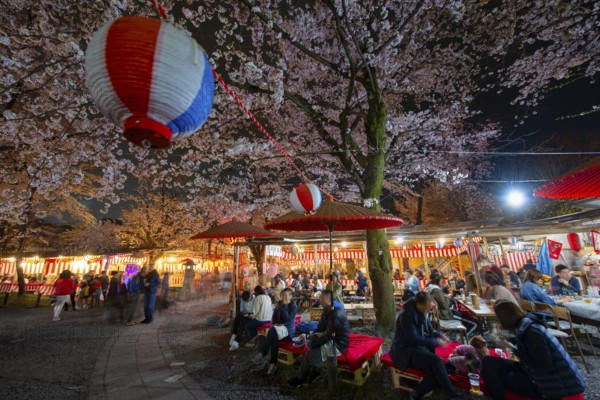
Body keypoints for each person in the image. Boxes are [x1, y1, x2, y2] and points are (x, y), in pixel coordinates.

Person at [481, 300, 585, 400]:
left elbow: (544, 366)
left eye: (498, 319)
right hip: (540, 373)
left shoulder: (532, 333)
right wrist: (511, 341)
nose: (498, 322)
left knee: (495, 375)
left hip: (556, 384)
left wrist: (515, 350)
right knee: (488, 362)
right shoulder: (526, 325)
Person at [390, 292, 459, 400]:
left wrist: (441, 336)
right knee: (436, 361)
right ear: (420, 304)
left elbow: (431, 330)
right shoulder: (406, 315)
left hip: (417, 348)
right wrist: (436, 342)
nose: (429, 310)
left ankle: (417, 392)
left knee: (439, 369)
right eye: (427, 307)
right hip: (405, 350)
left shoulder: (423, 311)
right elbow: (413, 339)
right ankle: (453, 396)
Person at [288, 289, 350, 387]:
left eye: (320, 298)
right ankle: (305, 374)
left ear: (326, 298)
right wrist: (311, 337)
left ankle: (313, 372)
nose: (319, 300)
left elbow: (329, 335)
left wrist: (314, 343)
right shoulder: (327, 309)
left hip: (339, 344)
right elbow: (320, 327)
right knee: (312, 345)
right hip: (331, 339)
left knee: (314, 347)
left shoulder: (336, 312)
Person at [254, 288, 297, 375]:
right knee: (274, 337)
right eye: (283, 295)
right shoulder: (280, 304)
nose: (284, 297)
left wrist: (283, 307)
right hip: (278, 329)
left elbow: (287, 319)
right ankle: (273, 364)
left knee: (273, 330)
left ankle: (263, 352)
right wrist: (277, 310)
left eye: (286, 295)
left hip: (288, 331)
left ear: (291, 296)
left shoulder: (293, 306)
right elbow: (274, 320)